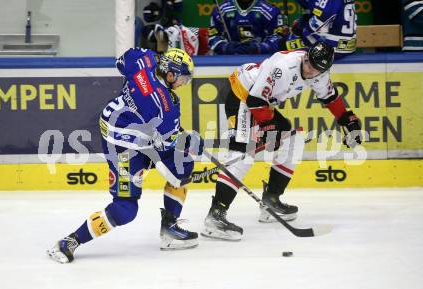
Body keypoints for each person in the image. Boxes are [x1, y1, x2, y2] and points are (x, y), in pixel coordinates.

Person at [47, 47, 203, 263]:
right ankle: (70, 241)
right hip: (121, 148)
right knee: (125, 209)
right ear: (170, 74)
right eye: (183, 79)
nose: (183, 85)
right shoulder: (167, 107)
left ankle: (170, 228)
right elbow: (169, 152)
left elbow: (123, 60)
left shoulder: (144, 60)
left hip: (121, 126)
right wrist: (189, 146)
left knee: (181, 163)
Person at [201, 42, 362, 241]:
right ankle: (216, 215)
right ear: (305, 56)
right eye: (309, 64)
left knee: (294, 141)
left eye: (316, 69)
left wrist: (347, 120)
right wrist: (269, 128)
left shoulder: (319, 72)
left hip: (262, 102)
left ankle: (271, 200)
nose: (310, 71)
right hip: (242, 95)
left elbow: (330, 97)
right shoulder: (283, 66)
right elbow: (255, 101)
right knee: (243, 154)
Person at [208, 0, 288, 55]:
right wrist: (225, 47)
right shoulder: (221, 9)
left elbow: (278, 39)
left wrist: (258, 48)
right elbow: (213, 37)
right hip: (228, 59)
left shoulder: (270, 10)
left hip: (261, 61)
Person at [291, 0, 357, 59]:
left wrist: (303, 29)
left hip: (332, 48)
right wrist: (301, 22)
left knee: (289, 45)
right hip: (346, 45)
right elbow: (311, 10)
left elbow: (324, 16)